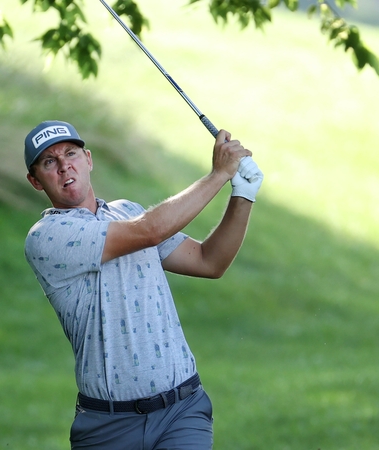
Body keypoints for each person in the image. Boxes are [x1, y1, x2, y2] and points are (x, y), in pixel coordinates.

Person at [23, 120, 263, 449]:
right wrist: (218, 174)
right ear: (35, 181)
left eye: (71, 153)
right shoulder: (46, 237)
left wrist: (243, 194)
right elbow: (149, 231)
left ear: (89, 159)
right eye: (50, 162)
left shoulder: (128, 212)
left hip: (182, 410)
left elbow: (210, 261)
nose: (65, 166)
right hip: (108, 427)